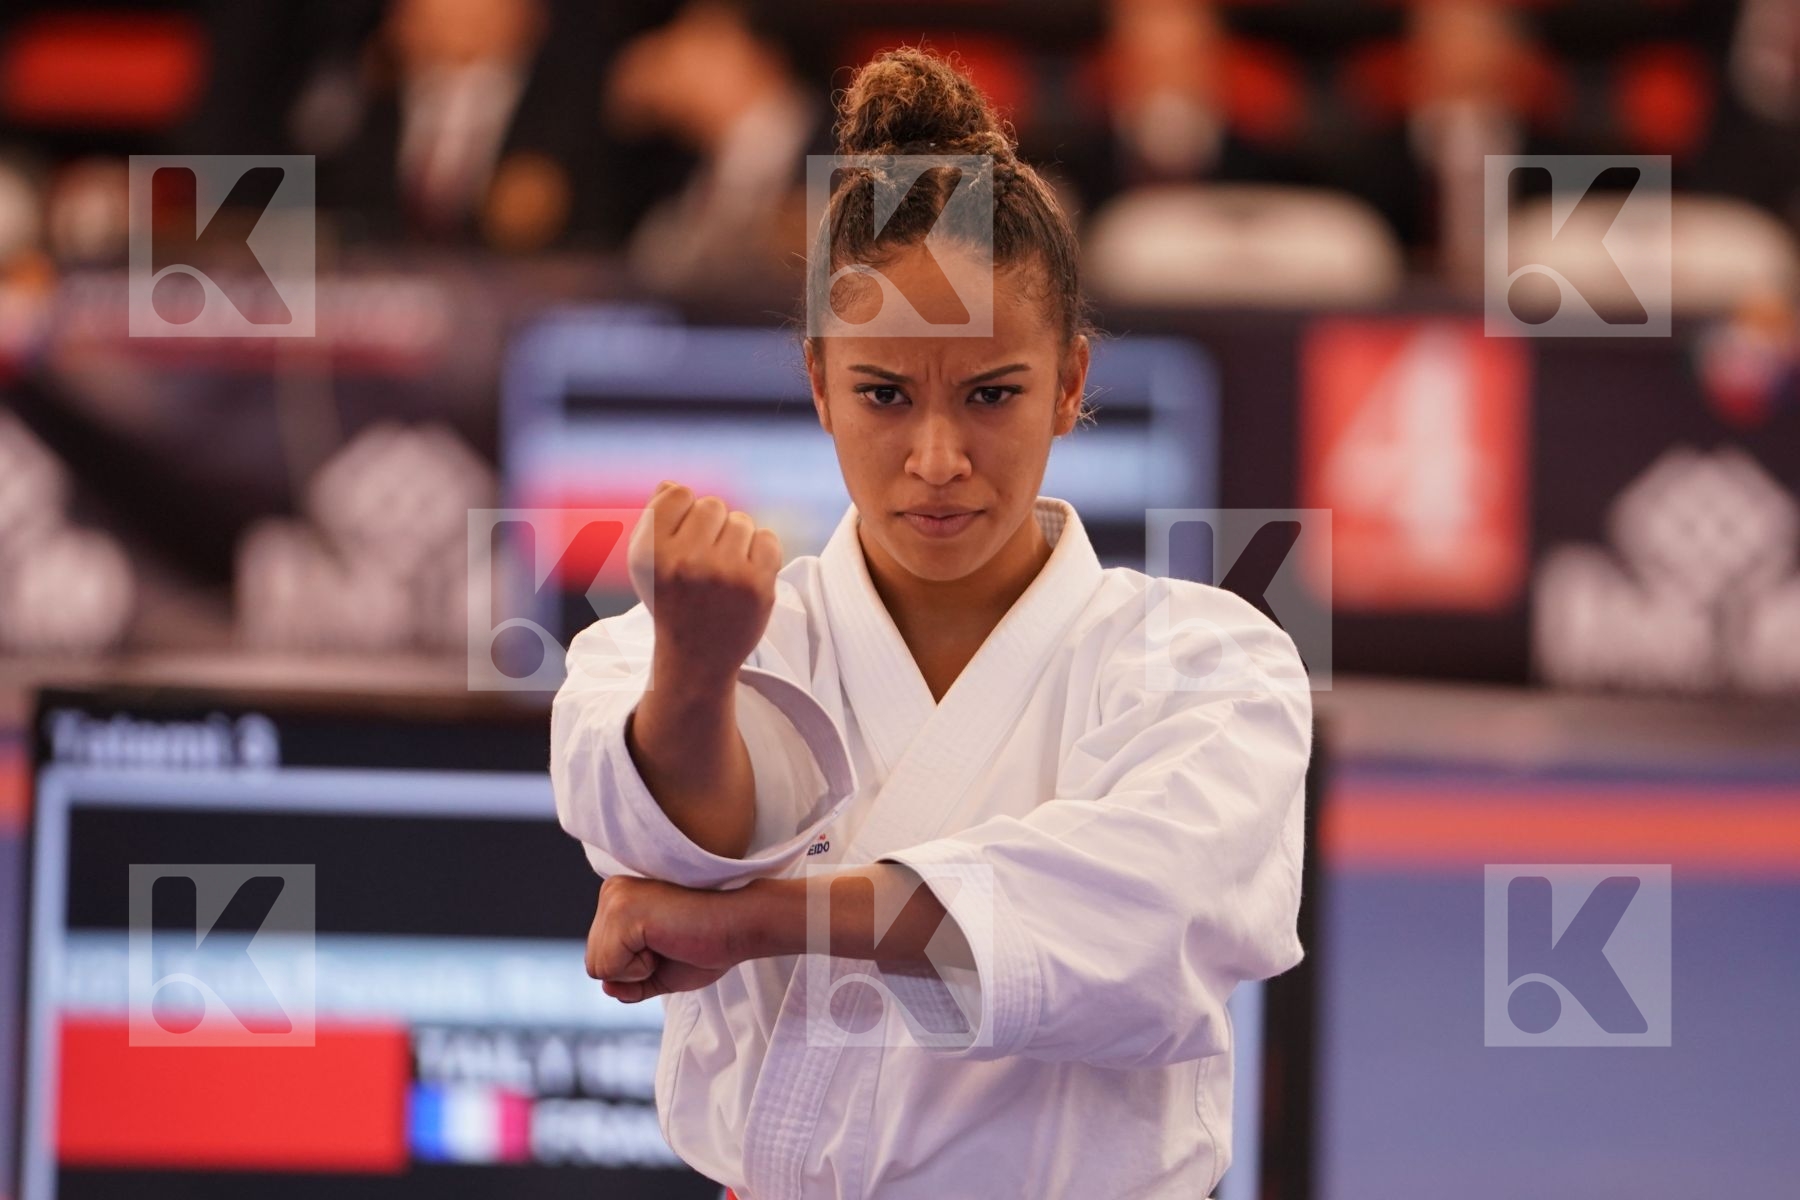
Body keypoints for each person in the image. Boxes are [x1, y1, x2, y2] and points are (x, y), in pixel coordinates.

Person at [550, 48, 1311, 1199]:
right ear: (818, 381)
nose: (939, 460)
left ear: (1069, 382)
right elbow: (652, 842)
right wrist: (697, 674)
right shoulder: (715, 636)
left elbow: (1150, 925)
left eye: (994, 394)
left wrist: (760, 923)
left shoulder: (1208, 664)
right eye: (885, 395)